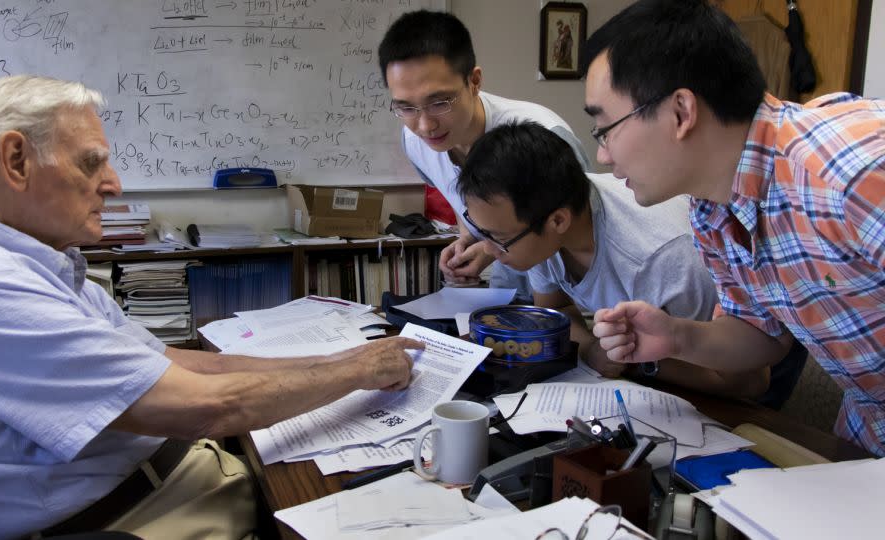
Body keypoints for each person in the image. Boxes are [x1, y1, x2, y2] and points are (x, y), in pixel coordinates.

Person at [0, 75, 423, 539]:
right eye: (91, 162)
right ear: (15, 160)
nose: (113, 184)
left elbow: (166, 363)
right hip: (133, 518)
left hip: (165, 482)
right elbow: (205, 407)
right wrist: (356, 374)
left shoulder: (33, 257)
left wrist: (340, 361)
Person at [582, 0, 885, 455]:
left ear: (681, 112)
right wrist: (679, 337)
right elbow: (761, 333)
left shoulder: (845, 173)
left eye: (606, 127)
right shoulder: (713, 207)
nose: (603, 155)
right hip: (866, 436)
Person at [457, 120, 800, 399]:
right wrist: (594, 349)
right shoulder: (544, 223)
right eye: (481, 233)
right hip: (659, 371)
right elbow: (558, 314)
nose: (488, 252)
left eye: (498, 240)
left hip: (750, 376)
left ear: (557, 221)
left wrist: (636, 361)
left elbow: (748, 382)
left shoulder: (664, 258)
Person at [377, 10, 590, 298]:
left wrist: (491, 248)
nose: (425, 125)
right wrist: (470, 240)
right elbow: (462, 198)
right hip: (508, 276)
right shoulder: (415, 142)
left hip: (570, 287)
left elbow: (572, 230)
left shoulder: (544, 138)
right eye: (406, 107)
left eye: (440, 102)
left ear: (474, 81)